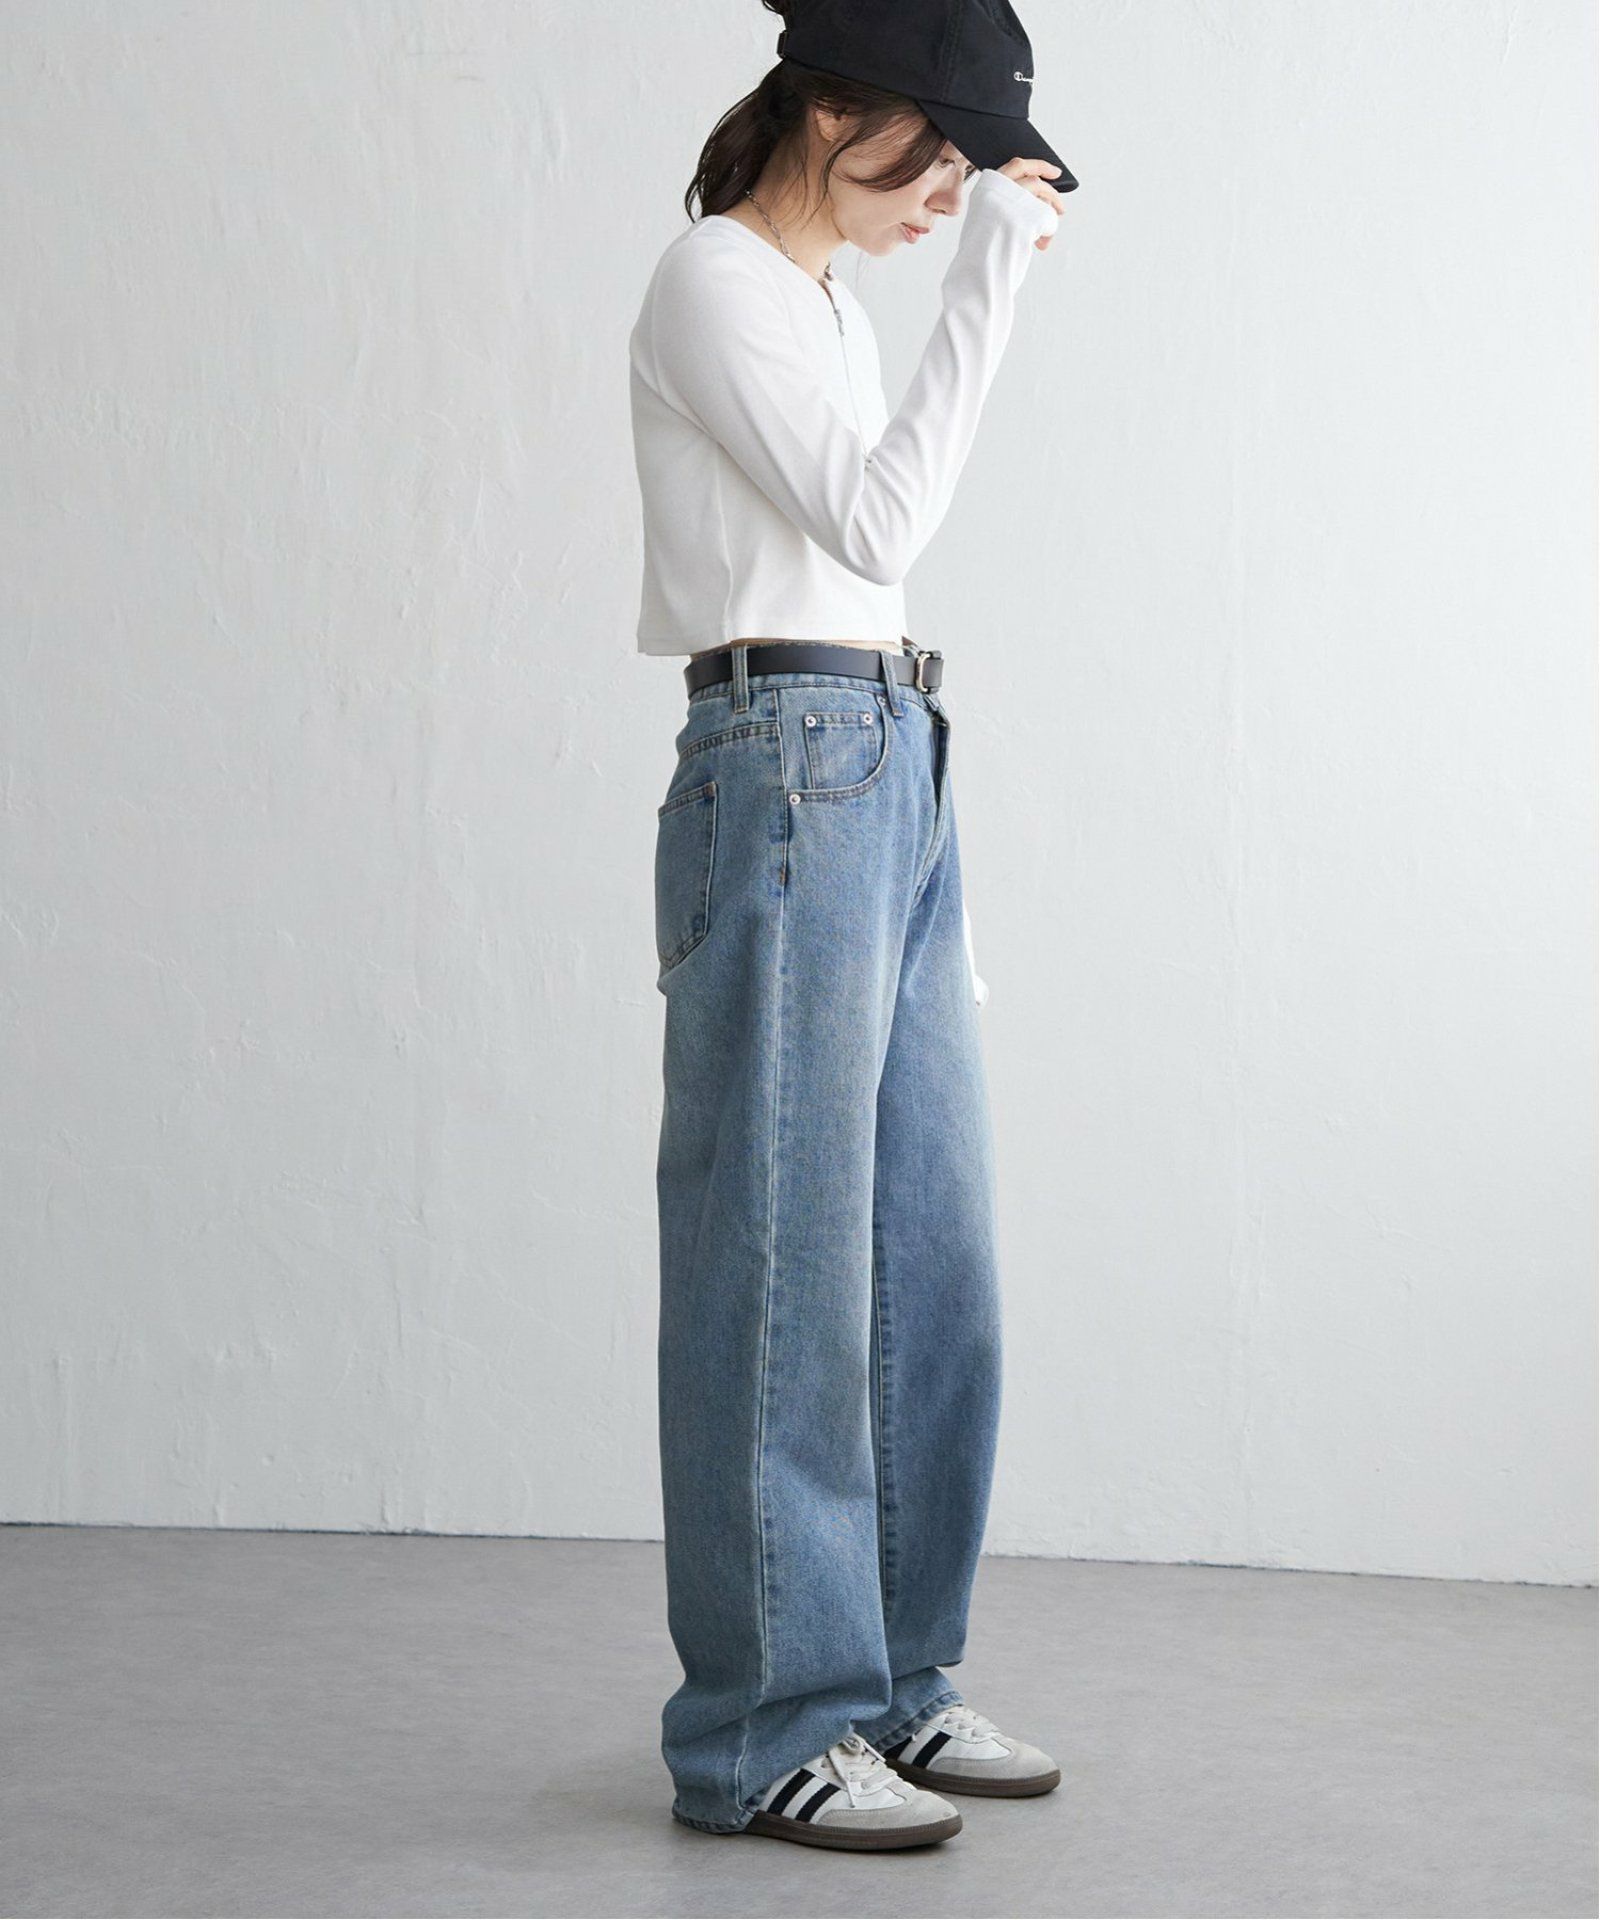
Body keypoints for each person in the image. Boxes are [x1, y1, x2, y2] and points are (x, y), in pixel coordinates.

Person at [627, 0, 1077, 1853]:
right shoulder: (717, 282)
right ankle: (762, 1730)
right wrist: (994, 282)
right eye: (941, 148)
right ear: (832, 110)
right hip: (787, 758)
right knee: (784, 1262)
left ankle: (890, 1680)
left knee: (929, 1264)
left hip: (889, 752)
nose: (954, 190)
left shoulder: (822, 303)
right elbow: (879, 517)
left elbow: (870, 557)